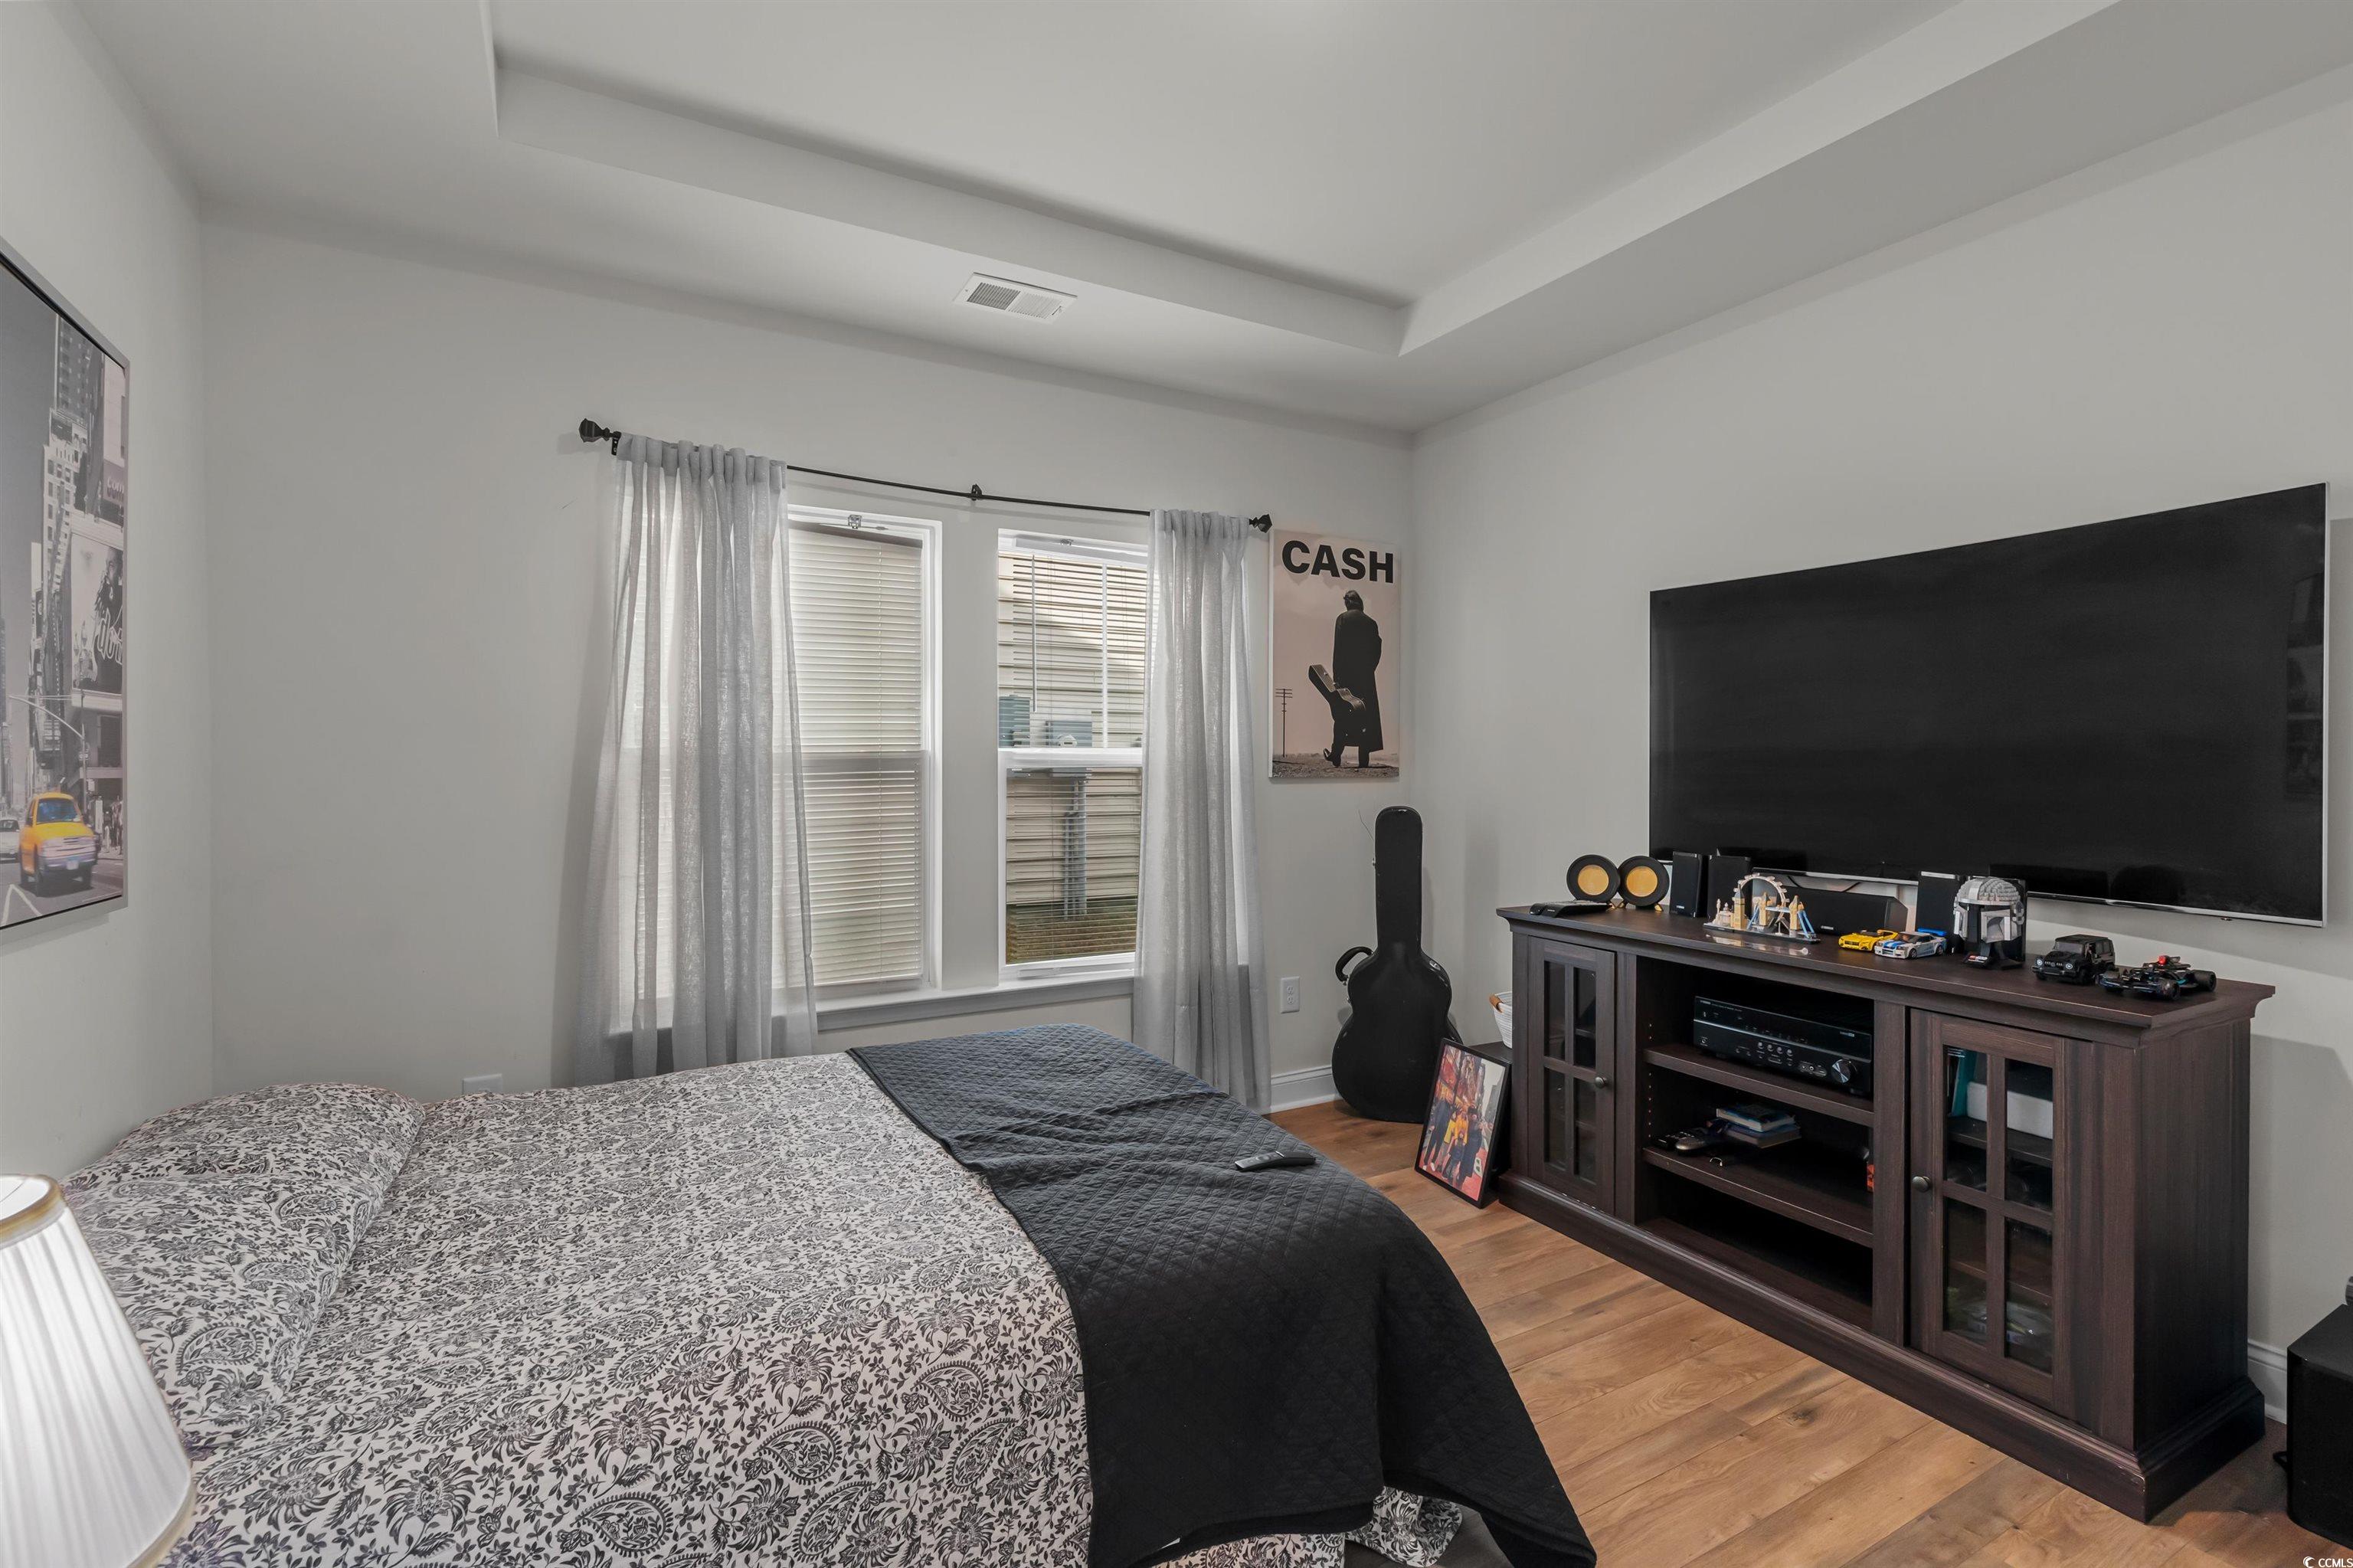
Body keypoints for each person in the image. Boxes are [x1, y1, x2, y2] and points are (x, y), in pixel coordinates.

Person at [1323, 589, 1383, 768]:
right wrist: (1369, 669)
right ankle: (1363, 760)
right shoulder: (1371, 623)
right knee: (1366, 716)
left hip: (1346, 678)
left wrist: (1337, 677)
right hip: (1366, 678)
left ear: (1348, 602)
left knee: (1343, 715)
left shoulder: (1342, 619)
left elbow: (1338, 650)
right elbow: (1377, 650)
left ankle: (1336, 754)